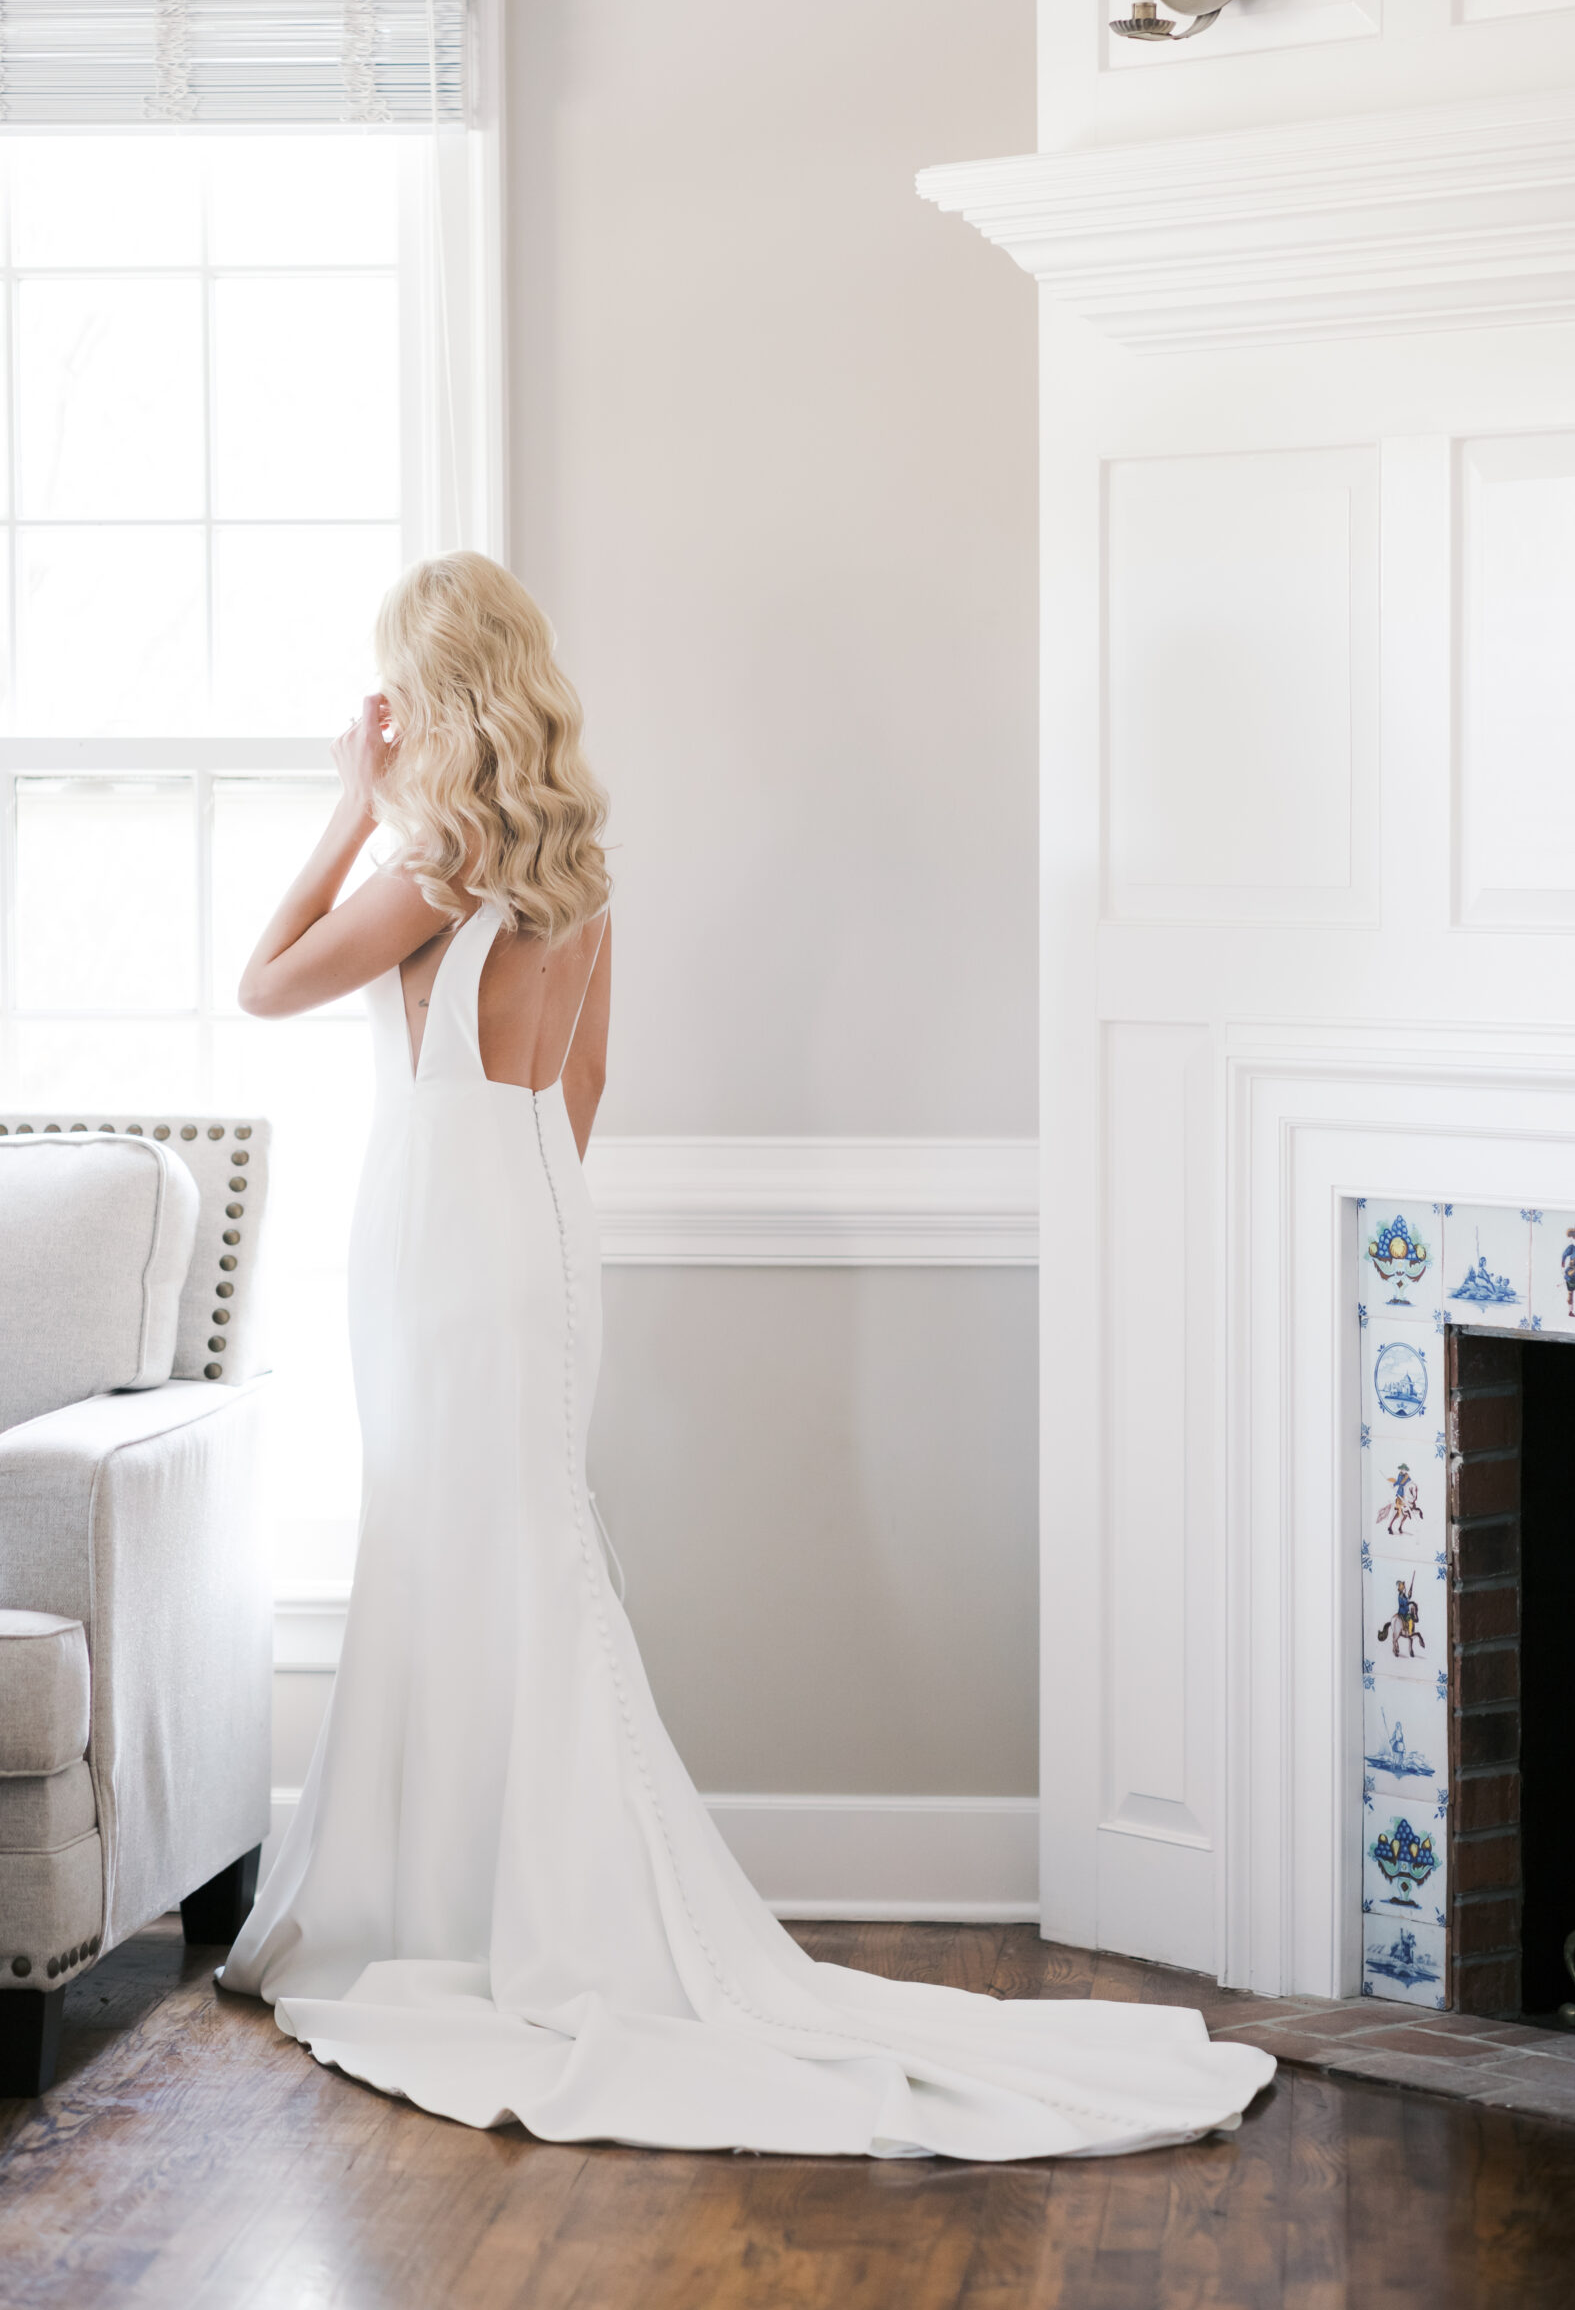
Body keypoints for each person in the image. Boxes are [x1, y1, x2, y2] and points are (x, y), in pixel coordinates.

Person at [220, 551, 1274, 2157]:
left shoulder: (433, 868)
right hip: (537, 1228)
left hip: (440, 1243)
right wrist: (524, 1229)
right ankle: (511, 1894)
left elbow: (263, 983)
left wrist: (348, 805)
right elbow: (580, 1100)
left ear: (424, 701)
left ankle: (467, 1911)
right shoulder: (577, 879)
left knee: (460, 1553)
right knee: (519, 1552)